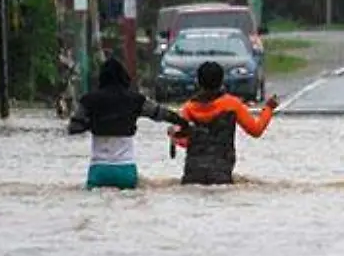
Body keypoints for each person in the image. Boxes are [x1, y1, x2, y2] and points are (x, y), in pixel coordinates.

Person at [68, 57, 187, 189]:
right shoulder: (135, 100)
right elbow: (161, 113)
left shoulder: (88, 100)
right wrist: (183, 121)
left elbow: (73, 128)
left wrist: (94, 124)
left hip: (98, 170)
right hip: (126, 171)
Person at [171, 61, 278, 185]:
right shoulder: (232, 105)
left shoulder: (188, 108)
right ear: (222, 81)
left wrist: (173, 135)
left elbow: (183, 141)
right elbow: (256, 130)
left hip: (192, 175)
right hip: (221, 174)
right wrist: (269, 108)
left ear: (198, 82)